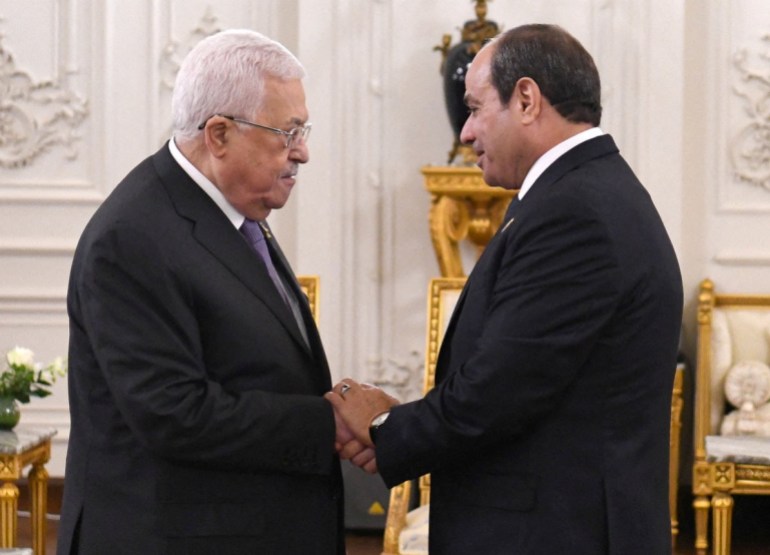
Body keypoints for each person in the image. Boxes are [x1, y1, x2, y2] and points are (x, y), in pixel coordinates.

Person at [327, 24, 683, 555]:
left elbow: (496, 393)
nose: (466, 133)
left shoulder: (575, 213)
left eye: (474, 109)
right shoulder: (583, 193)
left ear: (526, 99)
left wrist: (384, 426)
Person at [58, 29, 366, 554]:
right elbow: (173, 413)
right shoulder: (133, 237)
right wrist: (327, 422)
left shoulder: (230, 211)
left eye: (303, 130)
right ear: (219, 133)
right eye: (287, 132)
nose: (304, 152)